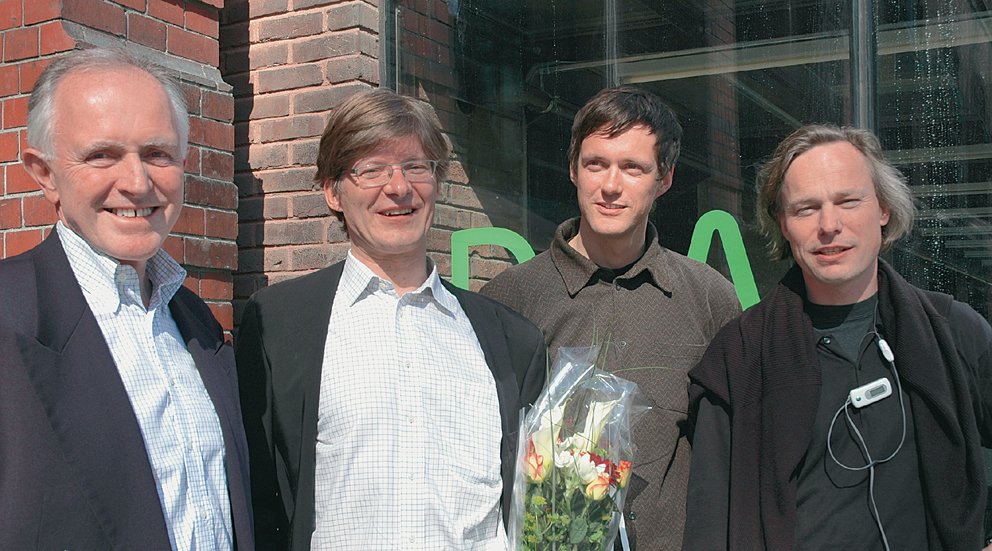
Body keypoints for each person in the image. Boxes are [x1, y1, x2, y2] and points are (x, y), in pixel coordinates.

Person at [235, 88, 547, 551]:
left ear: (437, 182)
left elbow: (535, 506)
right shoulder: (278, 325)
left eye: (416, 166)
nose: (398, 187)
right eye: (371, 169)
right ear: (332, 190)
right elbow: (257, 498)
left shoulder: (510, 339)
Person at [683, 124, 992, 551]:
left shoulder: (954, 332)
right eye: (806, 209)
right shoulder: (740, 355)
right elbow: (709, 525)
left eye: (848, 201)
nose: (829, 225)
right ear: (783, 224)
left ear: (883, 209)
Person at [0, 47, 253, 550]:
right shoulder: (9, 316)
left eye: (157, 153)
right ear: (44, 173)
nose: (138, 183)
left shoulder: (195, 321)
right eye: (102, 155)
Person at [480, 85, 742, 550]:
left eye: (633, 167)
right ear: (573, 170)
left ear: (664, 179)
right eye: (596, 163)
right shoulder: (508, 299)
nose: (610, 185)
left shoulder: (708, 299)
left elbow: (734, 454)